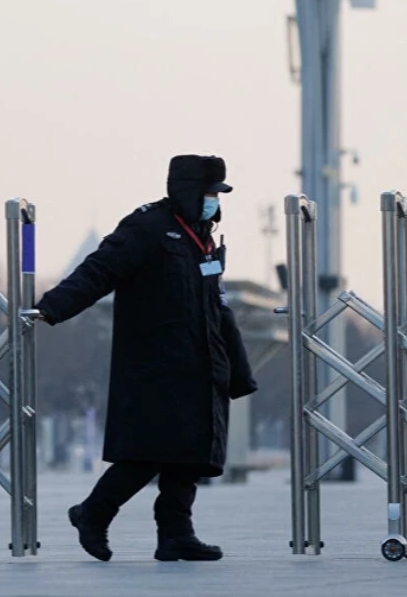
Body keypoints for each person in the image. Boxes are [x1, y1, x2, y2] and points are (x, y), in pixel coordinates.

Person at [32, 155, 257, 563]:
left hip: (199, 361)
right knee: (148, 451)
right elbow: (99, 269)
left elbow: (216, 304)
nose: (214, 201)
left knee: (191, 450)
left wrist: (235, 365)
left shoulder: (201, 236)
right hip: (155, 363)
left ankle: (176, 534)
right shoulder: (147, 227)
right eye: (208, 193)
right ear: (188, 191)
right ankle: (93, 514)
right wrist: (52, 307)